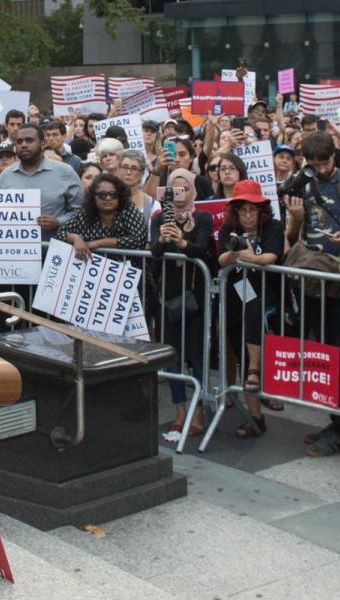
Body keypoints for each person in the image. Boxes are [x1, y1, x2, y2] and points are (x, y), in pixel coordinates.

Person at [286, 131, 340, 456]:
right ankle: (336, 420)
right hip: (312, 279)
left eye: (325, 163)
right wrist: (295, 219)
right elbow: (294, 234)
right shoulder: (302, 183)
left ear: (335, 156)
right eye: (313, 164)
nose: (319, 170)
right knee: (325, 354)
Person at [217, 180, 285, 438]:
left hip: (267, 294)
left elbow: (273, 256)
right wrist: (235, 252)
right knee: (242, 355)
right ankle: (256, 418)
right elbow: (221, 259)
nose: (247, 215)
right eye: (243, 210)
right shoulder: (228, 229)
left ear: (261, 211)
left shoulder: (273, 227)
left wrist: (251, 258)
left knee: (255, 312)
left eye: (252, 210)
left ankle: (256, 371)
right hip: (236, 294)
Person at [151, 169, 216, 436]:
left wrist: (182, 242)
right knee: (173, 357)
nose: (178, 195)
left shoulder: (202, 217)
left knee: (197, 357)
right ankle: (180, 411)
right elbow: (152, 253)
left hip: (195, 294)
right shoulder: (158, 217)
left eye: (184, 189)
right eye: (173, 190)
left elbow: (203, 250)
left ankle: (198, 411)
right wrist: (163, 239)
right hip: (168, 295)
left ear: (193, 191)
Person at [0, 124, 83, 241]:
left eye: (29, 140)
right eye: (19, 141)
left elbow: (80, 211)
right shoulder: (5, 176)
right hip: (15, 252)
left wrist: (58, 221)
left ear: (43, 144)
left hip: (53, 250)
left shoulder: (65, 172)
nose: (23, 145)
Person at [56, 173, 147, 260]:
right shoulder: (85, 213)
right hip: (93, 271)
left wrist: (98, 243)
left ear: (120, 196)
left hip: (129, 269)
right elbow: (60, 233)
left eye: (113, 194)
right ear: (93, 197)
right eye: (102, 195)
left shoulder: (128, 210)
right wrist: (75, 238)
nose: (108, 198)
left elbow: (139, 239)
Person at [119, 150, 156, 240]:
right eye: (125, 167)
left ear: (142, 173)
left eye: (134, 168)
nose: (128, 172)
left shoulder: (153, 205)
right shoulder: (108, 199)